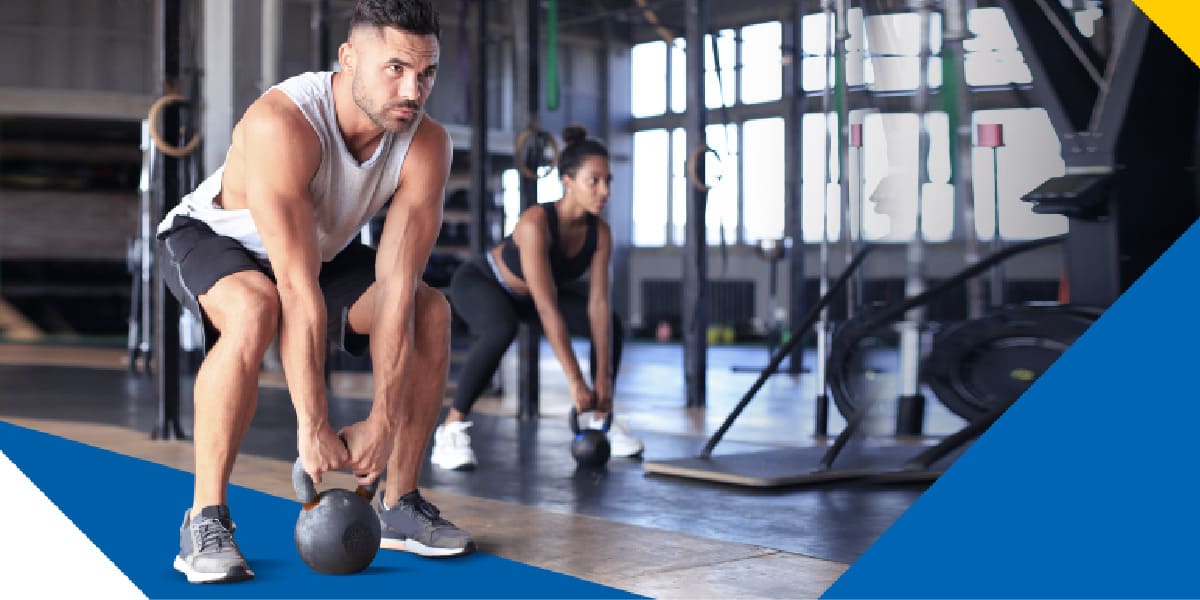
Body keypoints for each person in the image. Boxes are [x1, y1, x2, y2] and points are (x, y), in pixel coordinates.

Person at [156, 0, 473, 584]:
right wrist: (314, 425)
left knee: (429, 309)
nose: (414, 88)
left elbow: (398, 288)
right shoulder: (284, 123)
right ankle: (204, 518)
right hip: (221, 239)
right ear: (348, 59)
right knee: (256, 308)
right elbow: (296, 289)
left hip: (321, 250)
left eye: (426, 73)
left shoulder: (426, 146)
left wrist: (380, 419)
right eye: (395, 68)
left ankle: (399, 503)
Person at [432, 125, 643, 471]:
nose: (604, 191)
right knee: (502, 328)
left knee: (612, 324)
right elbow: (547, 308)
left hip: (536, 295)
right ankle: (451, 429)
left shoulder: (600, 232)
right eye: (594, 181)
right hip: (484, 282)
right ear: (567, 181)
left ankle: (601, 418)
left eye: (608, 181)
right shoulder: (535, 223)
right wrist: (576, 382)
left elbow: (599, 305)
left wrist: (602, 385)